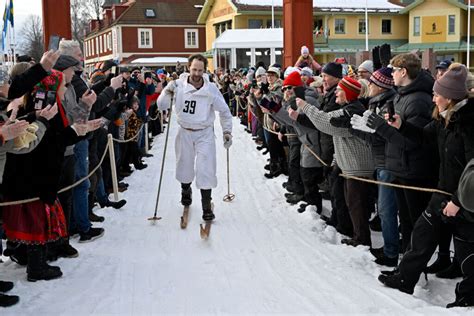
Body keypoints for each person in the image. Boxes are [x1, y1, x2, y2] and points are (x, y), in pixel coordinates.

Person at [373, 64, 474, 309]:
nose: (433, 96)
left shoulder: (468, 123)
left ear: (450, 97)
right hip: (442, 192)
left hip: (465, 200)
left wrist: (458, 202)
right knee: (422, 233)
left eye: (437, 93)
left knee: (467, 253)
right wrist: (401, 126)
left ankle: (468, 296)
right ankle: (405, 278)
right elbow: (424, 137)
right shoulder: (444, 118)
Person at [157, 54, 233, 221]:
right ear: (188, 68)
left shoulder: (211, 88)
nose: (197, 73)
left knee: (206, 167)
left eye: (200, 70)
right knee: (184, 164)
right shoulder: (178, 85)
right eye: (194, 69)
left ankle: (206, 205)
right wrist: (167, 91)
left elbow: (225, 111)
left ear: (204, 70)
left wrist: (227, 131)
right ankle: (186, 190)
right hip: (184, 131)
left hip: (204, 132)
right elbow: (161, 105)